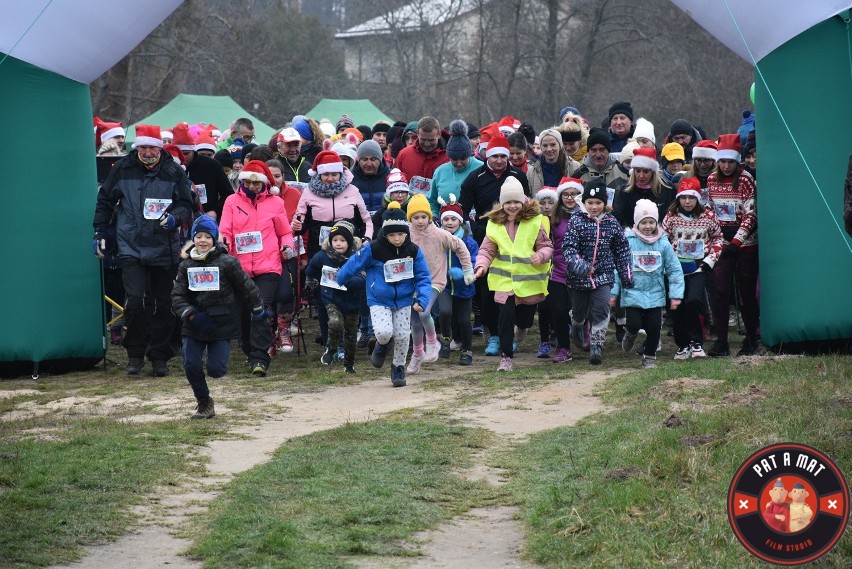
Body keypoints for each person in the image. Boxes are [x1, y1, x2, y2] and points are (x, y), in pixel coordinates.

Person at [93, 124, 195, 376]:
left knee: (164, 305)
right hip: (132, 246)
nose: (147, 152)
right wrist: (99, 231)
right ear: (136, 147)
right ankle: (135, 354)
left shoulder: (173, 171)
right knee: (135, 303)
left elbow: (186, 204)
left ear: (159, 148)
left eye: (152, 147)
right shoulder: (123, 170)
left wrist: (175, 218)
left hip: (164, 248)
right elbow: (105, 200)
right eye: (143, 147)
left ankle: (159, 355)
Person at [171, 215, 266, 419]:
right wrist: (189, 313)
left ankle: (213, 371)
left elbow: (246, 286)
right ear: (193, 239)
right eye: (199, 236)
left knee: (216, 369)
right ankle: (204, 402)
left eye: (207, 236)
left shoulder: (228, 263)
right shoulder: (185, 265)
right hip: (194, 322)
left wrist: (257, 307)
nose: (203, 240)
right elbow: (177, 295)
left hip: (222, 323)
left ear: (215, 239)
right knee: (191, 364)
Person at [336, 202, 432, 387]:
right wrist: (340, 278)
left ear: (407, 232)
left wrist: (422, 298)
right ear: (385, 234)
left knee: (404, 335)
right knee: (384, 332)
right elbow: (354, 263)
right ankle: (382, 343)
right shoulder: (373, 249)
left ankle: (398, 367)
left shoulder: (413, 250)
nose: (397, 239)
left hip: (404, 299)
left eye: (401, 234)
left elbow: (423, 276)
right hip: (379, 298)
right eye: (392, 235)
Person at [219, 160, 295, 377]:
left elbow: (285, 232)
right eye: (248, 182)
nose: (252, 186)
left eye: (256, 183)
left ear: (264, 184)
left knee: (260, 308)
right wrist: (224, 243)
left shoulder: (275, 203)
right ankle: (248, 348)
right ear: (242, 181)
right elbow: (225, 229)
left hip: (268, 265)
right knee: (243, 312)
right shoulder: (232, 201)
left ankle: (260, 358)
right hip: (239, 267)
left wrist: (287, 246)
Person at [459, 133, 531, 356]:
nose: (499, 160)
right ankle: (495, 336)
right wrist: (476, 229)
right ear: (486, 156)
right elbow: (463, 209)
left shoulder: (518, 175)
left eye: (503, 156)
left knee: (515, 288)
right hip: (487, 239)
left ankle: (511, 331)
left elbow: (527, 206)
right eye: (495, 156)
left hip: (515, 240)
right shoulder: (475, 177)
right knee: (488, 291)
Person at [473, 177, 553, 371]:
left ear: (523, 201)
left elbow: (547, 246)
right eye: (508, 202)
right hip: (504, 281)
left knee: (525, 319)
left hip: (528, 282)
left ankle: (523, 327)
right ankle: (506, 356)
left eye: (516, 201)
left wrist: (541, 256)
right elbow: (486, 250)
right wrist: (481, 266)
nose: (512, 206)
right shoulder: (494, 224)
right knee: (505, 316)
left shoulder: (535, 221)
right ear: (502, 204)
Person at [562, 179, 633, 365]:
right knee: (579, 310)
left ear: (605, 204)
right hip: (579, 277)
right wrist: (582, 267)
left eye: (598, 203)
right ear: (584, 202)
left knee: (601, 308)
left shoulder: (612, 223)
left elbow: (621, 249)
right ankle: (577, 325)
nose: (594, 207)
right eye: (590, 203)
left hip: (604, 274)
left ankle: (596, 344)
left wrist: (626, 274)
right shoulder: (576, 220)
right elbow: (569, 248)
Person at [612, 199, 684, 369]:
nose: (647, 226)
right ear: (637, 223)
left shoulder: (663, 244)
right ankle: (630, 334)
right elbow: (618, 268)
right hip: (632, 292)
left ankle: (649, 357)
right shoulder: (628, 241)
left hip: (655, 294)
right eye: (643, 222)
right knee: (634, 324)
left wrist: (675, 295)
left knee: (654, 329)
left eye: (651, 222)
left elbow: (674, 270)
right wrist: (613, 293)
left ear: (656, 223)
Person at [406, 193, 473, 374]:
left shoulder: (439, 234)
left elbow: (461, 247)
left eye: (423, 217)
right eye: (416, 217)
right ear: (410, 218)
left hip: (435, 280)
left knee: (424, 311)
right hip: (412, 283)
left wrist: (467, 270)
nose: (420, 221)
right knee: (414, 322)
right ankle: (417, 355)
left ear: (429, 217)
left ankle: (433, 342)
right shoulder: (405, 234)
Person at [706, 134, 759, 357]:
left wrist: (737, 241)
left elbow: (751, 214)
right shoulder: (711, 179)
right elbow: (709, 208)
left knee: (746, 291)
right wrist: (718, 236)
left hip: (745, 242)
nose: (726, 166)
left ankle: (751, 338)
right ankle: (722, 340)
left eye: (730, 162)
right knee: (720, 290)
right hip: (722, 240)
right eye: (722, 162)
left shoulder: (746, 179)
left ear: (737, 162)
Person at [661, 177, 723, 359]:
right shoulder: (671, 217)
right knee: (677, 303)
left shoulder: (708, 216)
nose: (687, 202)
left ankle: (696, 342)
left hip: (698, 267)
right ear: (678, 198)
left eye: (691, 198)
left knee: (694, 300)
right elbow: (662, 238)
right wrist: (669, 259)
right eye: (683, 197)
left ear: (698, 198)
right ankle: (683, 344)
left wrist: (710, 260)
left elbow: (718, 239)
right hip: (676, 268)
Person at [304, 221, 365, 373]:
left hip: (352, 300)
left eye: (342, 241)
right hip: (331, 297)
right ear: (330, 241)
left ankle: (349, 364)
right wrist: (310, 280)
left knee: (351, 334)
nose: (338, 244)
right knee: (335, 322)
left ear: (349, 242)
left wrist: (346, 279)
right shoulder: (322, 255)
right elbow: (311, 268)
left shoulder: (357, 257)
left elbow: (363, 279)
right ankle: (331, 348)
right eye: (335, 240)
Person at [546, 177, 585, 363]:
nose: (570, 198)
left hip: (582, 271)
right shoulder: (553, 218)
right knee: (559, 310)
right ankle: (563, 347)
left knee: (580, 310)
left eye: (574, 194)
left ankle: (584, 334)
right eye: (566, 194)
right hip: (559, 271)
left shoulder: (587, 215)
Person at [266, 158, 302, 354]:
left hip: (290, 252)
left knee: (287, 293)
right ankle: (269, 334)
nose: (274, 181)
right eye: (269, 177)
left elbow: (302, 222)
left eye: (277, 176)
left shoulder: (294, 194)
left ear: (283, 177)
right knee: (268, 296)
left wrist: (299, 229)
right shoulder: (259, 197)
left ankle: (284, 329)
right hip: (266, 254)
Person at [436, 195, 478, 365]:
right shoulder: (438, 240)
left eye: (454, 219)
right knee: (445, 312)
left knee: (464, 320)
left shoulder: (469, 241)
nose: (450, 222)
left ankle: (467, 350)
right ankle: (445, 337)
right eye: (446, 219)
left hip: (464, 287)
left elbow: (474, 259)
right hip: (444, 285)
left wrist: (464, 272)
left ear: (460, 222)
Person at [172, 123, 234, 221]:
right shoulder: (169, 168)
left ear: (193, 151)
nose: (182, 157)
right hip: (178, 220)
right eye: (178, 154)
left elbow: (228, 194)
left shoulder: (212, 165)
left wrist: (215, 211)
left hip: (206, 220)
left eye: (186, 154)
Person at [429, 119, 483, 217]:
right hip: (445, 226)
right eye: (454, 159)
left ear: (469, 154)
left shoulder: (481, 168)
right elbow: (432, 201)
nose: (459, 163)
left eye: (463, 159)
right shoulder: (440, 172)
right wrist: (435, 218)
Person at [612, 147, 675, 228]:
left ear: (653, 172)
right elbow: (619, 219)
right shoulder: (625, 192)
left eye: (646, 171)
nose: (641, 176)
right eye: (637, 171)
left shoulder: (668, 190)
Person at [572, 128, 628, 201]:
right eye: (594, 150)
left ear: (609, 150)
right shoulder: (578, 176)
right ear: (588, 152)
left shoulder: (624, 173)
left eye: (602, 150)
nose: (598, 155)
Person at [393, 116, 449, 186]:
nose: (427, 144)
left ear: (439, 134)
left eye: (431, 140)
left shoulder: (449, 158)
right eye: (423, 139)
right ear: (417, 133)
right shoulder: (404, 155)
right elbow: (393, 185)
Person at [528, 128, 575, 195]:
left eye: (553, 145)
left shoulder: (574, 167)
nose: (549, 149)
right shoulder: (532, 171)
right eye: (545, 145)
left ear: (560, 145)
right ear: (541, 147)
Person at [351, 139, 391, 214]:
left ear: (380, 160)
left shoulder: (391, 178)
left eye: (373, 159)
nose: (369, 164)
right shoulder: (350, 179)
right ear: (359, 160)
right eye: (365, 159)